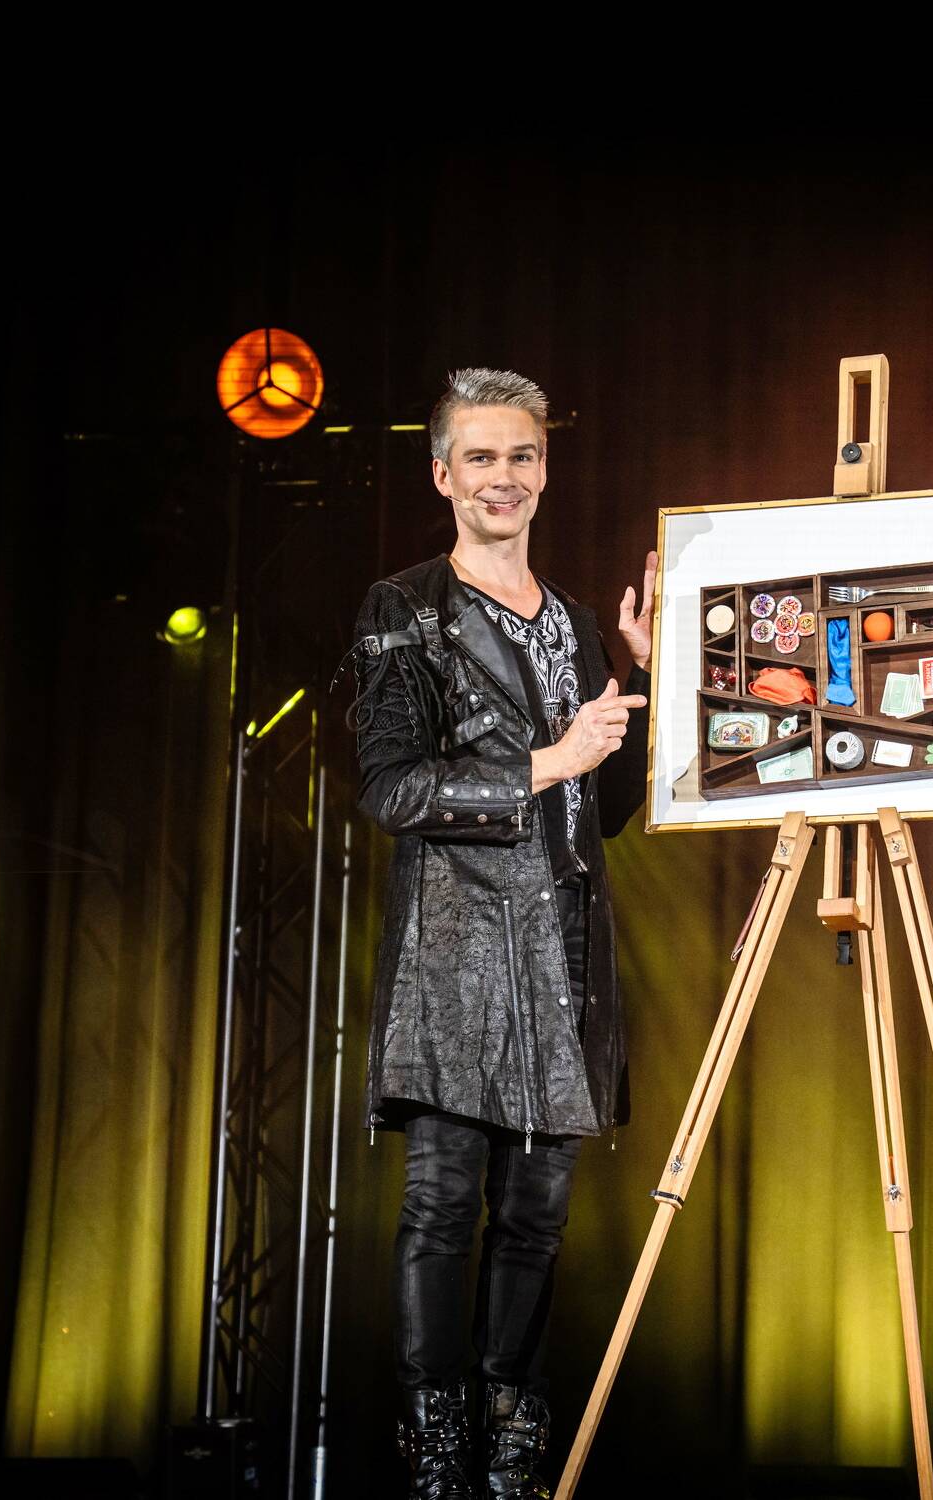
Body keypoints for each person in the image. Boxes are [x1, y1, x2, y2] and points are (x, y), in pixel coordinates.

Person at [343, 367, 654, 1500]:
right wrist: (548, 759)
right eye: (480, 457)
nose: (503, 476)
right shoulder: (405, 607)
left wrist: (645, 678)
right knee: (441, 1205)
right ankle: (438, 1454)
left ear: (544, 469)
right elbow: (393, 789)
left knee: (536, 1217)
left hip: (562, 949)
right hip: (458, 951)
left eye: (521, 455)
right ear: (443, 475)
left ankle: (514, 1451)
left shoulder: (573, 621)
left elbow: (603, 812)